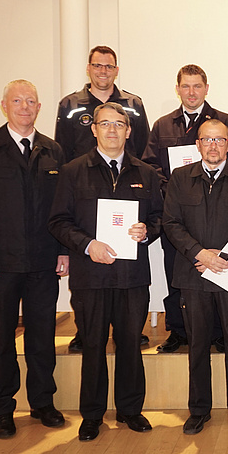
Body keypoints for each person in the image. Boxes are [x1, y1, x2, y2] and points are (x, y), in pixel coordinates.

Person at [48, 102, 163, 441]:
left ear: (129, 131)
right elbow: (58, 222)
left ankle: (130, 410)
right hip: (90, 277)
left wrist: (148, 231)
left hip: (132, 278)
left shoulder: (146, 173)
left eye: (119, 124)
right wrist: (86, 245)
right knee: (93, 346)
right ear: (94, 129)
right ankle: (92, 415)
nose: (112, 130)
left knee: (130, 345)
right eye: (105, 124)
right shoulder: (72, 171)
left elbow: (159, 218)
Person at [0, 80, 67, 438]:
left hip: (43, 262)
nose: (25, 106)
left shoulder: (53, 151)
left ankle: (43, 403)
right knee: (1, 340)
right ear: (4, 106)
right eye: (17, 101)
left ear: (39, 108)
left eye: (31, 101)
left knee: (43, 337)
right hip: (0, 264)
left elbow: (63, 209)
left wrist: (64, 250)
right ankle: (3, 409)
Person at [162, 119, 228, 434]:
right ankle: (199, 410)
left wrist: (224, 258)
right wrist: (200, 254)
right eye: (207, 139)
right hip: (193, 276)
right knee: (198, 345)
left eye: (219, 140)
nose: (213, 146)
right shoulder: (180, 178)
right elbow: (171, 222)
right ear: (198, 144)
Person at [55, 45, 151, 352]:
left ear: (116, 70)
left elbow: (144, 149)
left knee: (129, 336)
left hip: (127, 193)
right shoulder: (70, 105)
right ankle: (87, 333)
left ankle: (130, 330)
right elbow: (61, 152)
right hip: (84, 198)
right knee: (91, 333)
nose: (103, 71)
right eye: (98, 66)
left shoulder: (134, 104)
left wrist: (146, 226)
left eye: (109, 66)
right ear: (89, 68)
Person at [141, 64, 228, 354]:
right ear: (178, 89)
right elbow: (150, 165)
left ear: (206, 88)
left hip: (218, 212)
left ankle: (220, 332)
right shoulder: (162, 125)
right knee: (177, 271)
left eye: (197, 86)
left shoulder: (224, 121)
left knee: (221, 271)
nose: (192, 91)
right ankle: (178, 330)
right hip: (178, 214)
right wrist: (172, 188)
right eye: (186, 86)